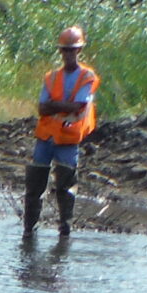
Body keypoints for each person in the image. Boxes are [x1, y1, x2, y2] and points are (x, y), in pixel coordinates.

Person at [26, 25, 99, 233]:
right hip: (46, 136)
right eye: (65, 50)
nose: (68, 53)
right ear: (60, 51)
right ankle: (29, 230)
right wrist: (64, 106)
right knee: (34, 185)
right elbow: (42, 108)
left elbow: (78, 107)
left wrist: (54, 105)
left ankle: (65, 229)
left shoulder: (87, 77)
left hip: (68, 138)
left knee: (66, 187)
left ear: (79, 50)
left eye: (72, 49)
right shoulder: (51, 77)